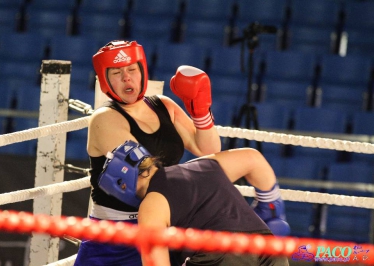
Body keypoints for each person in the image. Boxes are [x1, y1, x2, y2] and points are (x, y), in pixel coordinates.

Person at [74, 40, 221, 265]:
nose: (126, 78)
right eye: (117, 72)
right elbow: (148, 177)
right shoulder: (105, 119)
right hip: (115, 239)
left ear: (143, 71)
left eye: (132, 69)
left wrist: (200, 112)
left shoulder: (164, 106)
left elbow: (209, 150)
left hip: (162, 224)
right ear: (105, 80)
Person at [99, 140, 290, 266]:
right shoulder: (201, 165)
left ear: (121, 185)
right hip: (270, 250)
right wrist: (271, 209)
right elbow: (252, 158)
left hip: (220, 257)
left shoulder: (151, 205)